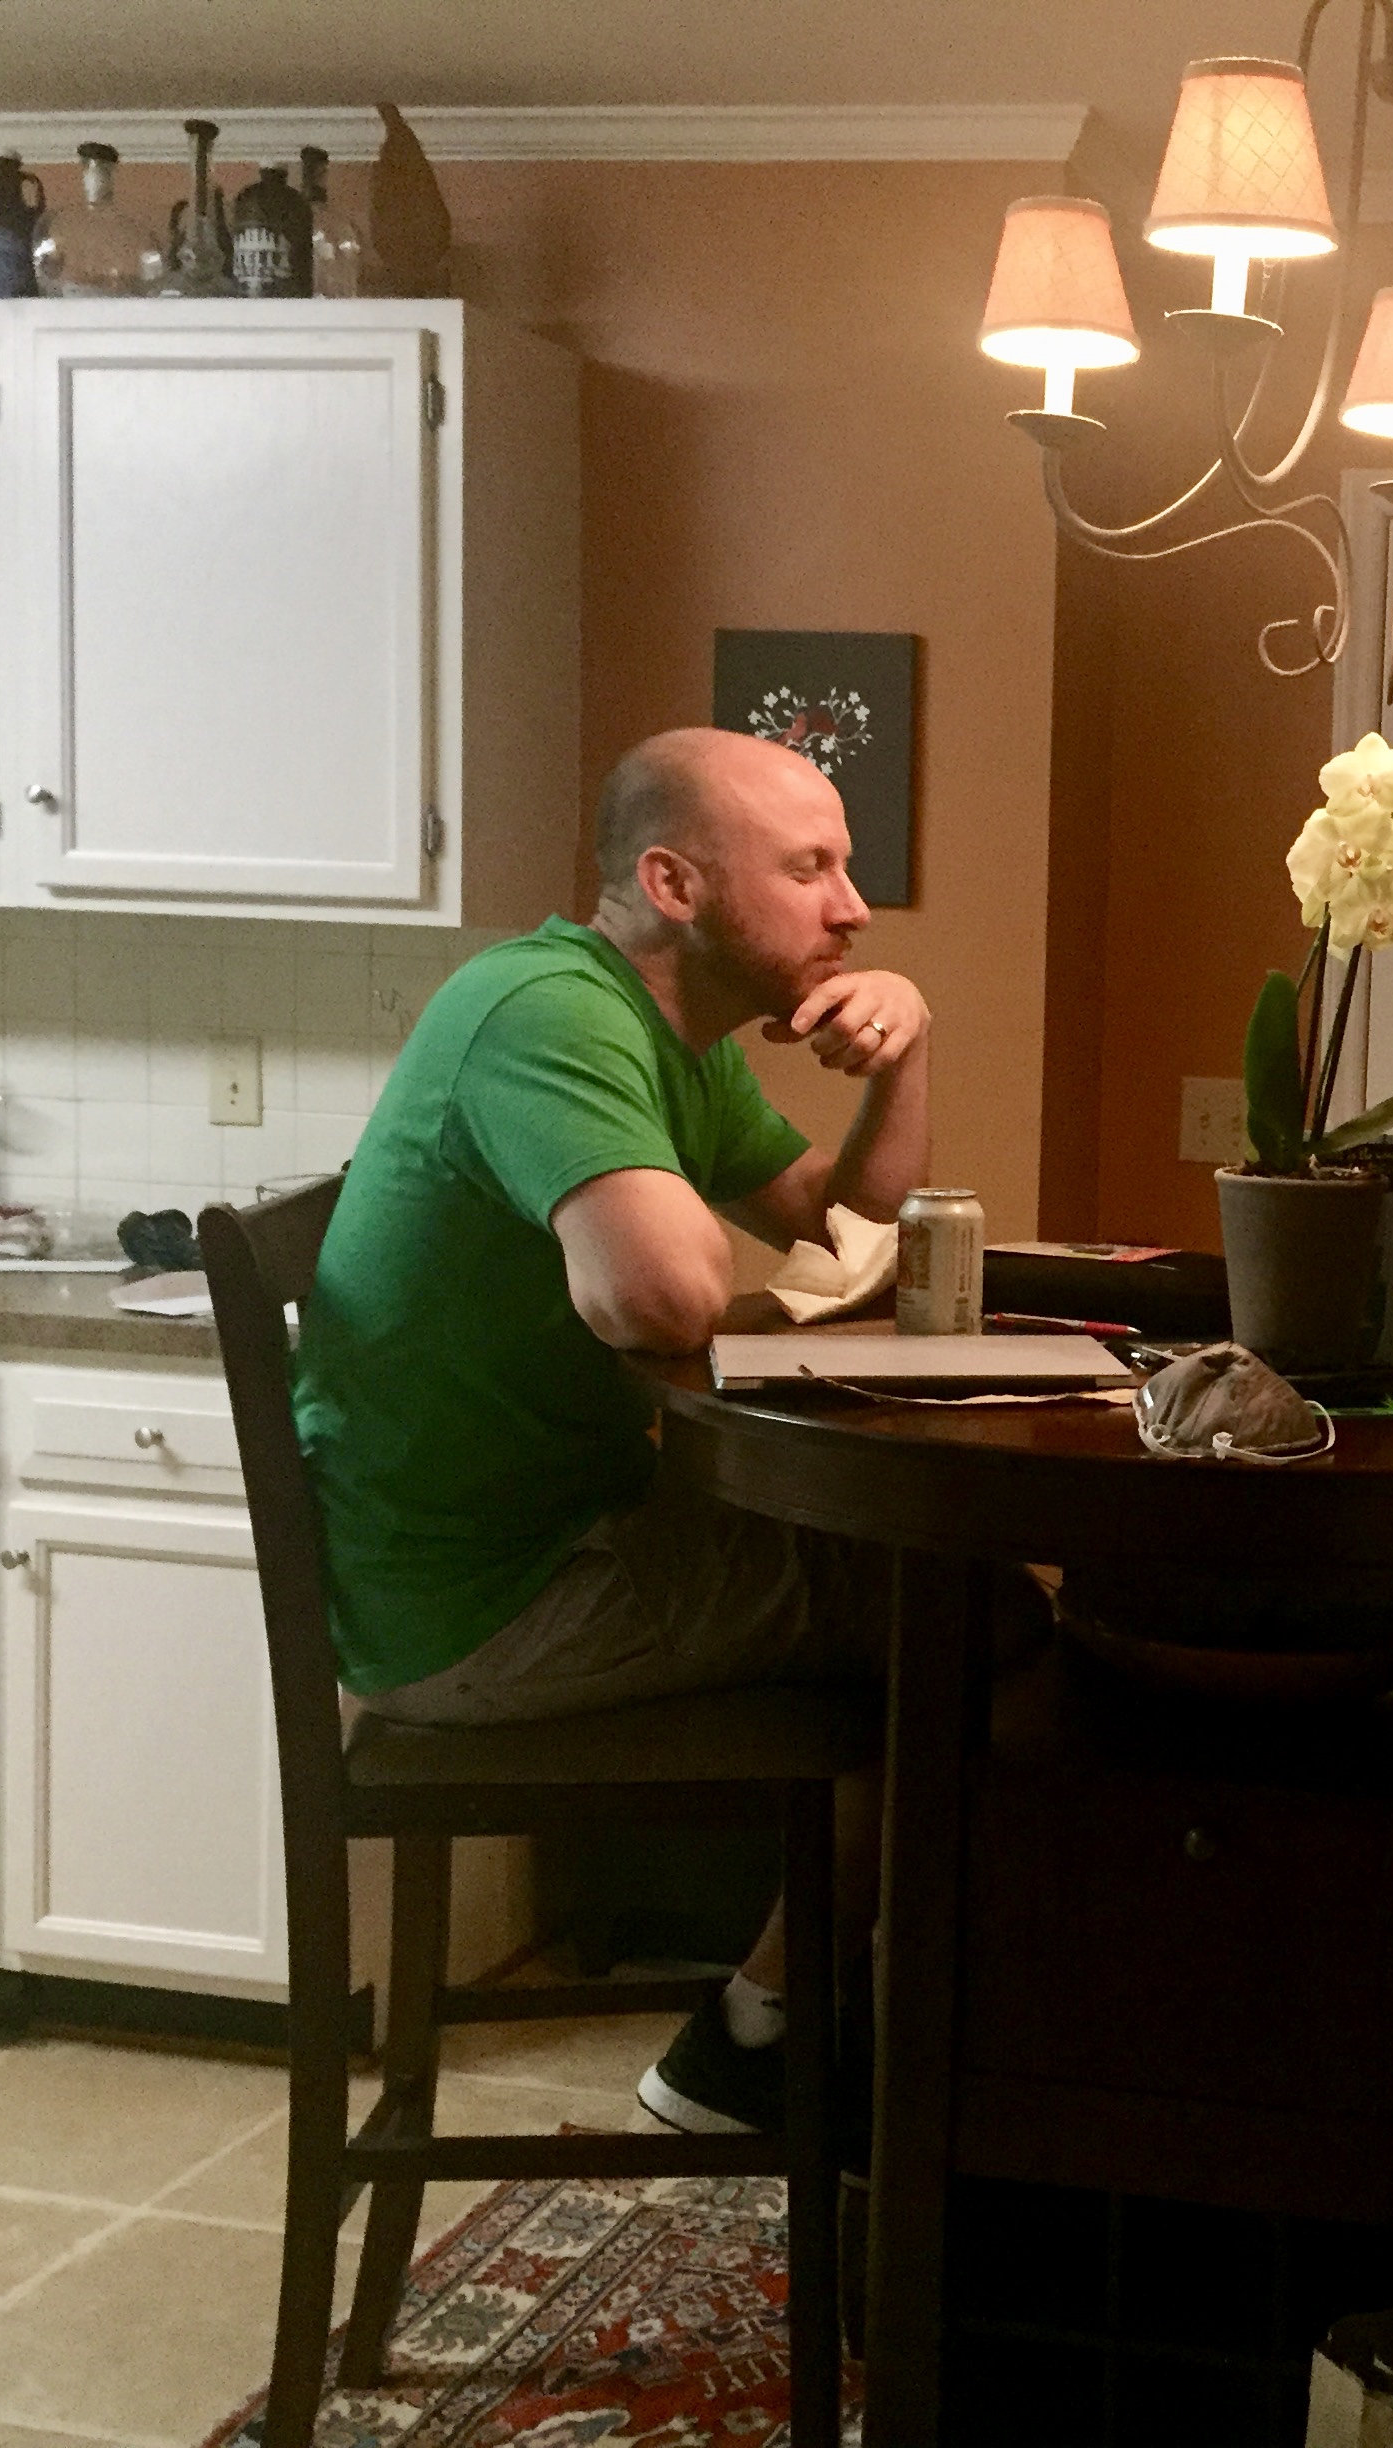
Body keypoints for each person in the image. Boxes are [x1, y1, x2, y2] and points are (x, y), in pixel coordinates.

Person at [294, 726, 932, 2135]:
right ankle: (778, 2042)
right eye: (811, 869)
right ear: (674, 885)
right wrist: (707, 1263)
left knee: (933, 1601)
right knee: (962, 1622)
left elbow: (847, 1231)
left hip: (545, 1547)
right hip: (477, 1607)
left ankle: (800, 2022)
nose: (852, 908)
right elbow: (655, 1296)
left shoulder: (663, 1035)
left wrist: (907, 1051)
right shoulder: (548, 1015)